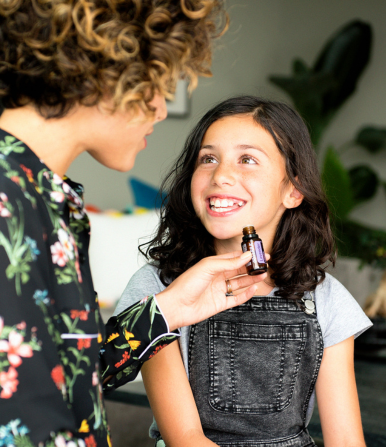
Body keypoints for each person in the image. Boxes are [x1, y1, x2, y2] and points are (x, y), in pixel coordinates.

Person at [0, 3, 270, 447]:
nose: (160, 106)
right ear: (106, 68)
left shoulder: (31, 191)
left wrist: (168, 309)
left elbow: (60, 374)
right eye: (158, 81)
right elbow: (24, 428)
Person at [116, 96, 373, 447]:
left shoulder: (327, 298)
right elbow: (185, 438)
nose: (221, 175)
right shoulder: (157, 290)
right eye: (208, 159)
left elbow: (346, 440)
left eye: (247, 159)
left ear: (293, 190)